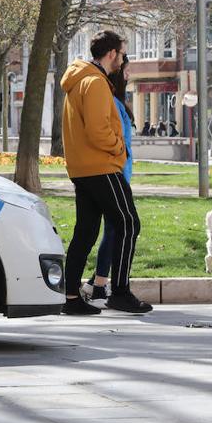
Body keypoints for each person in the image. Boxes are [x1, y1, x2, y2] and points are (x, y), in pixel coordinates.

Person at [59, 30, 152, 315]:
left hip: (81, 169)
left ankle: (71, 296)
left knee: (86, 232)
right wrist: (118, 148)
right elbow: (99, 131)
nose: (122, 61)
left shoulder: (77, 81)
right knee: (128, 223)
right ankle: (119, 292)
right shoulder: (95, 83)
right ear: (111, 54)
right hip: (102, 167)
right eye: (122, 55)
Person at [82, 55, 134, 306]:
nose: (128, 76)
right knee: (121, 226)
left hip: (119, 171)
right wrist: (118, 151)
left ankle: (97, 283)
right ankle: (104, 286)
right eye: (125, 71)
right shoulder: (109, 99)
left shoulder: (117, 101)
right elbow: (106, 133)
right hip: (113, 171)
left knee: (113, 229)